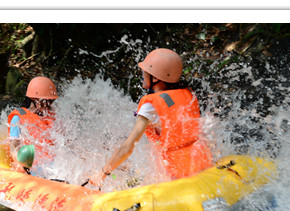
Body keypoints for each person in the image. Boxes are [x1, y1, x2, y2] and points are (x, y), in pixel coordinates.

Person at [87, 48, 212, 188]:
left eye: (144, 72)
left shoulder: (150, 106)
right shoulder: (186, 94)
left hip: (177, 174)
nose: (142, 75)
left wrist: (102, 174)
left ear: (156, 78)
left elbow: (127, 148)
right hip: (202, 164)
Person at [6, 76, 59, 173]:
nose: (47, 105)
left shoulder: (50, 117)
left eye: (50, 102)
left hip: (52, 164)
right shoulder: (18, 118)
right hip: (34, 165)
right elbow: (14, 145)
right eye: (44, 101)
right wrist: (20, 164)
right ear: (33, 99)